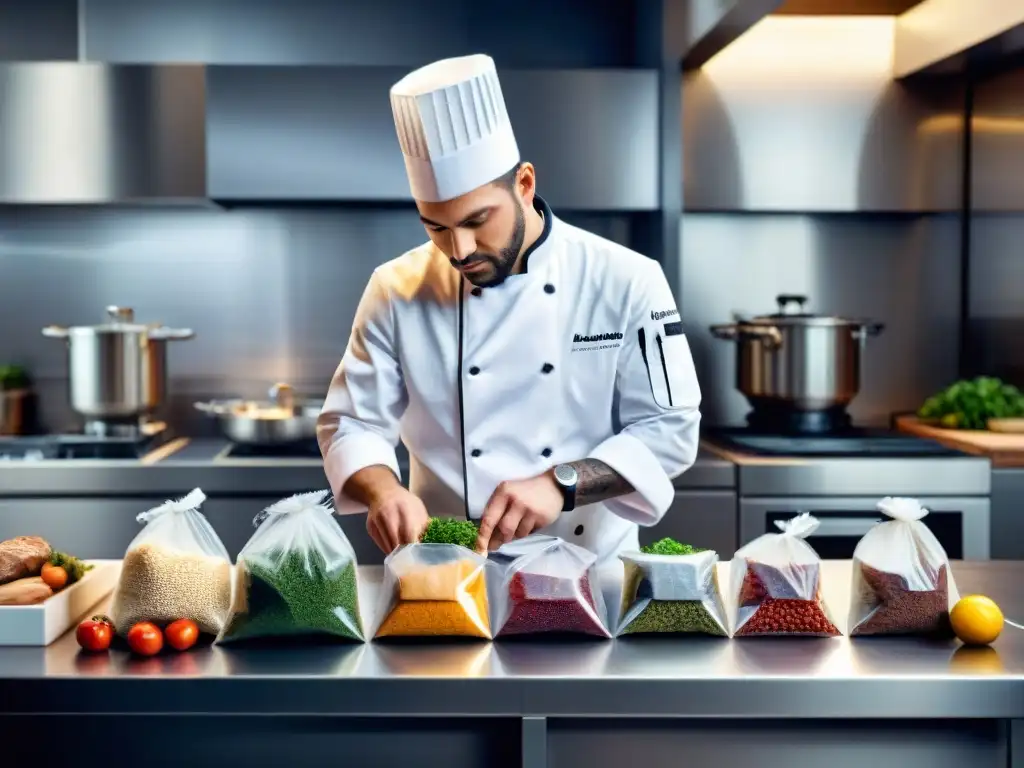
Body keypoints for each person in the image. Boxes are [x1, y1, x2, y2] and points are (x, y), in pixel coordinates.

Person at [317, 53, 702, 561]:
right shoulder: (395, 288)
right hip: (444, 573)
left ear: (524, 185)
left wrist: (561, 483)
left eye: (478, 220)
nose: (460, 250)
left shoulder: (626, 278)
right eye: (436, 227)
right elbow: (352, 423)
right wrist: (383, 490)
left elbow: (670, 429)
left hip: (590, 571)